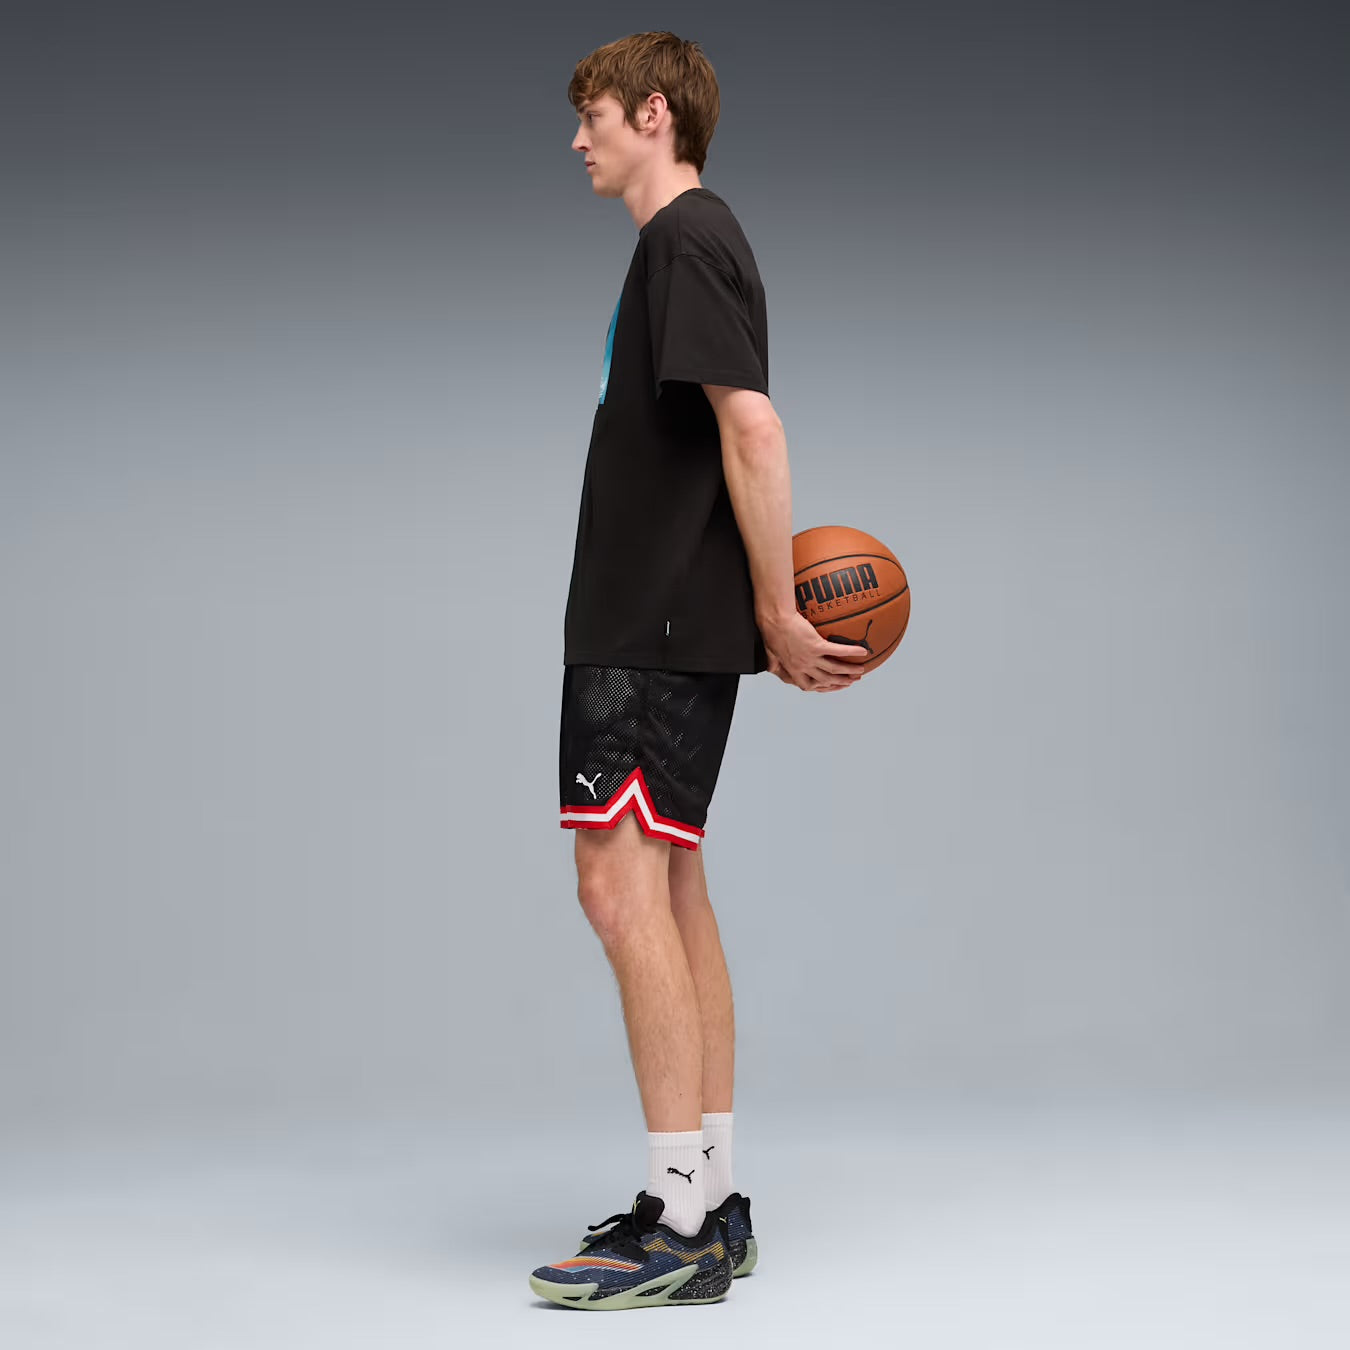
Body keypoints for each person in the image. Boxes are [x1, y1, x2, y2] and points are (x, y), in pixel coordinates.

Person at [528, 31, 868, 1311]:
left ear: (655, 113)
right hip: (664, 621)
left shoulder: (684, 238)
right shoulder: (691, 242)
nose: (578, 139)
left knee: (617, 890)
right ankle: (711, 1196)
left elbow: (753, 427)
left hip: (649, 628)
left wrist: (775, 609)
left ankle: (674, 1223)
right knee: (671, 891)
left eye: (595, 115)